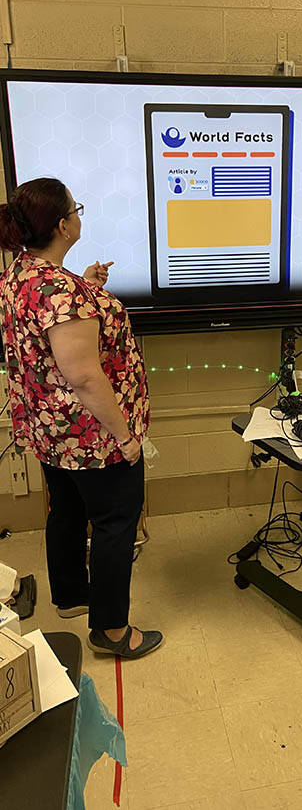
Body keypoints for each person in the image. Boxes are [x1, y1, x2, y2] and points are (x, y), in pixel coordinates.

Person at [0, 177, 163, 659]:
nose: (79, 215)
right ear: (63, 224)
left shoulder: (21, 274)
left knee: (66, 511)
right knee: (115, 521)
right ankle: (112, 631)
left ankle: (71, 596)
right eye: (77, 209)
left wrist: (87, 288)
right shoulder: (61, 293)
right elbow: (85, 377)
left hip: (50, 433)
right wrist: (125, 438)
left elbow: (49, 333)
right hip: (92, 437)